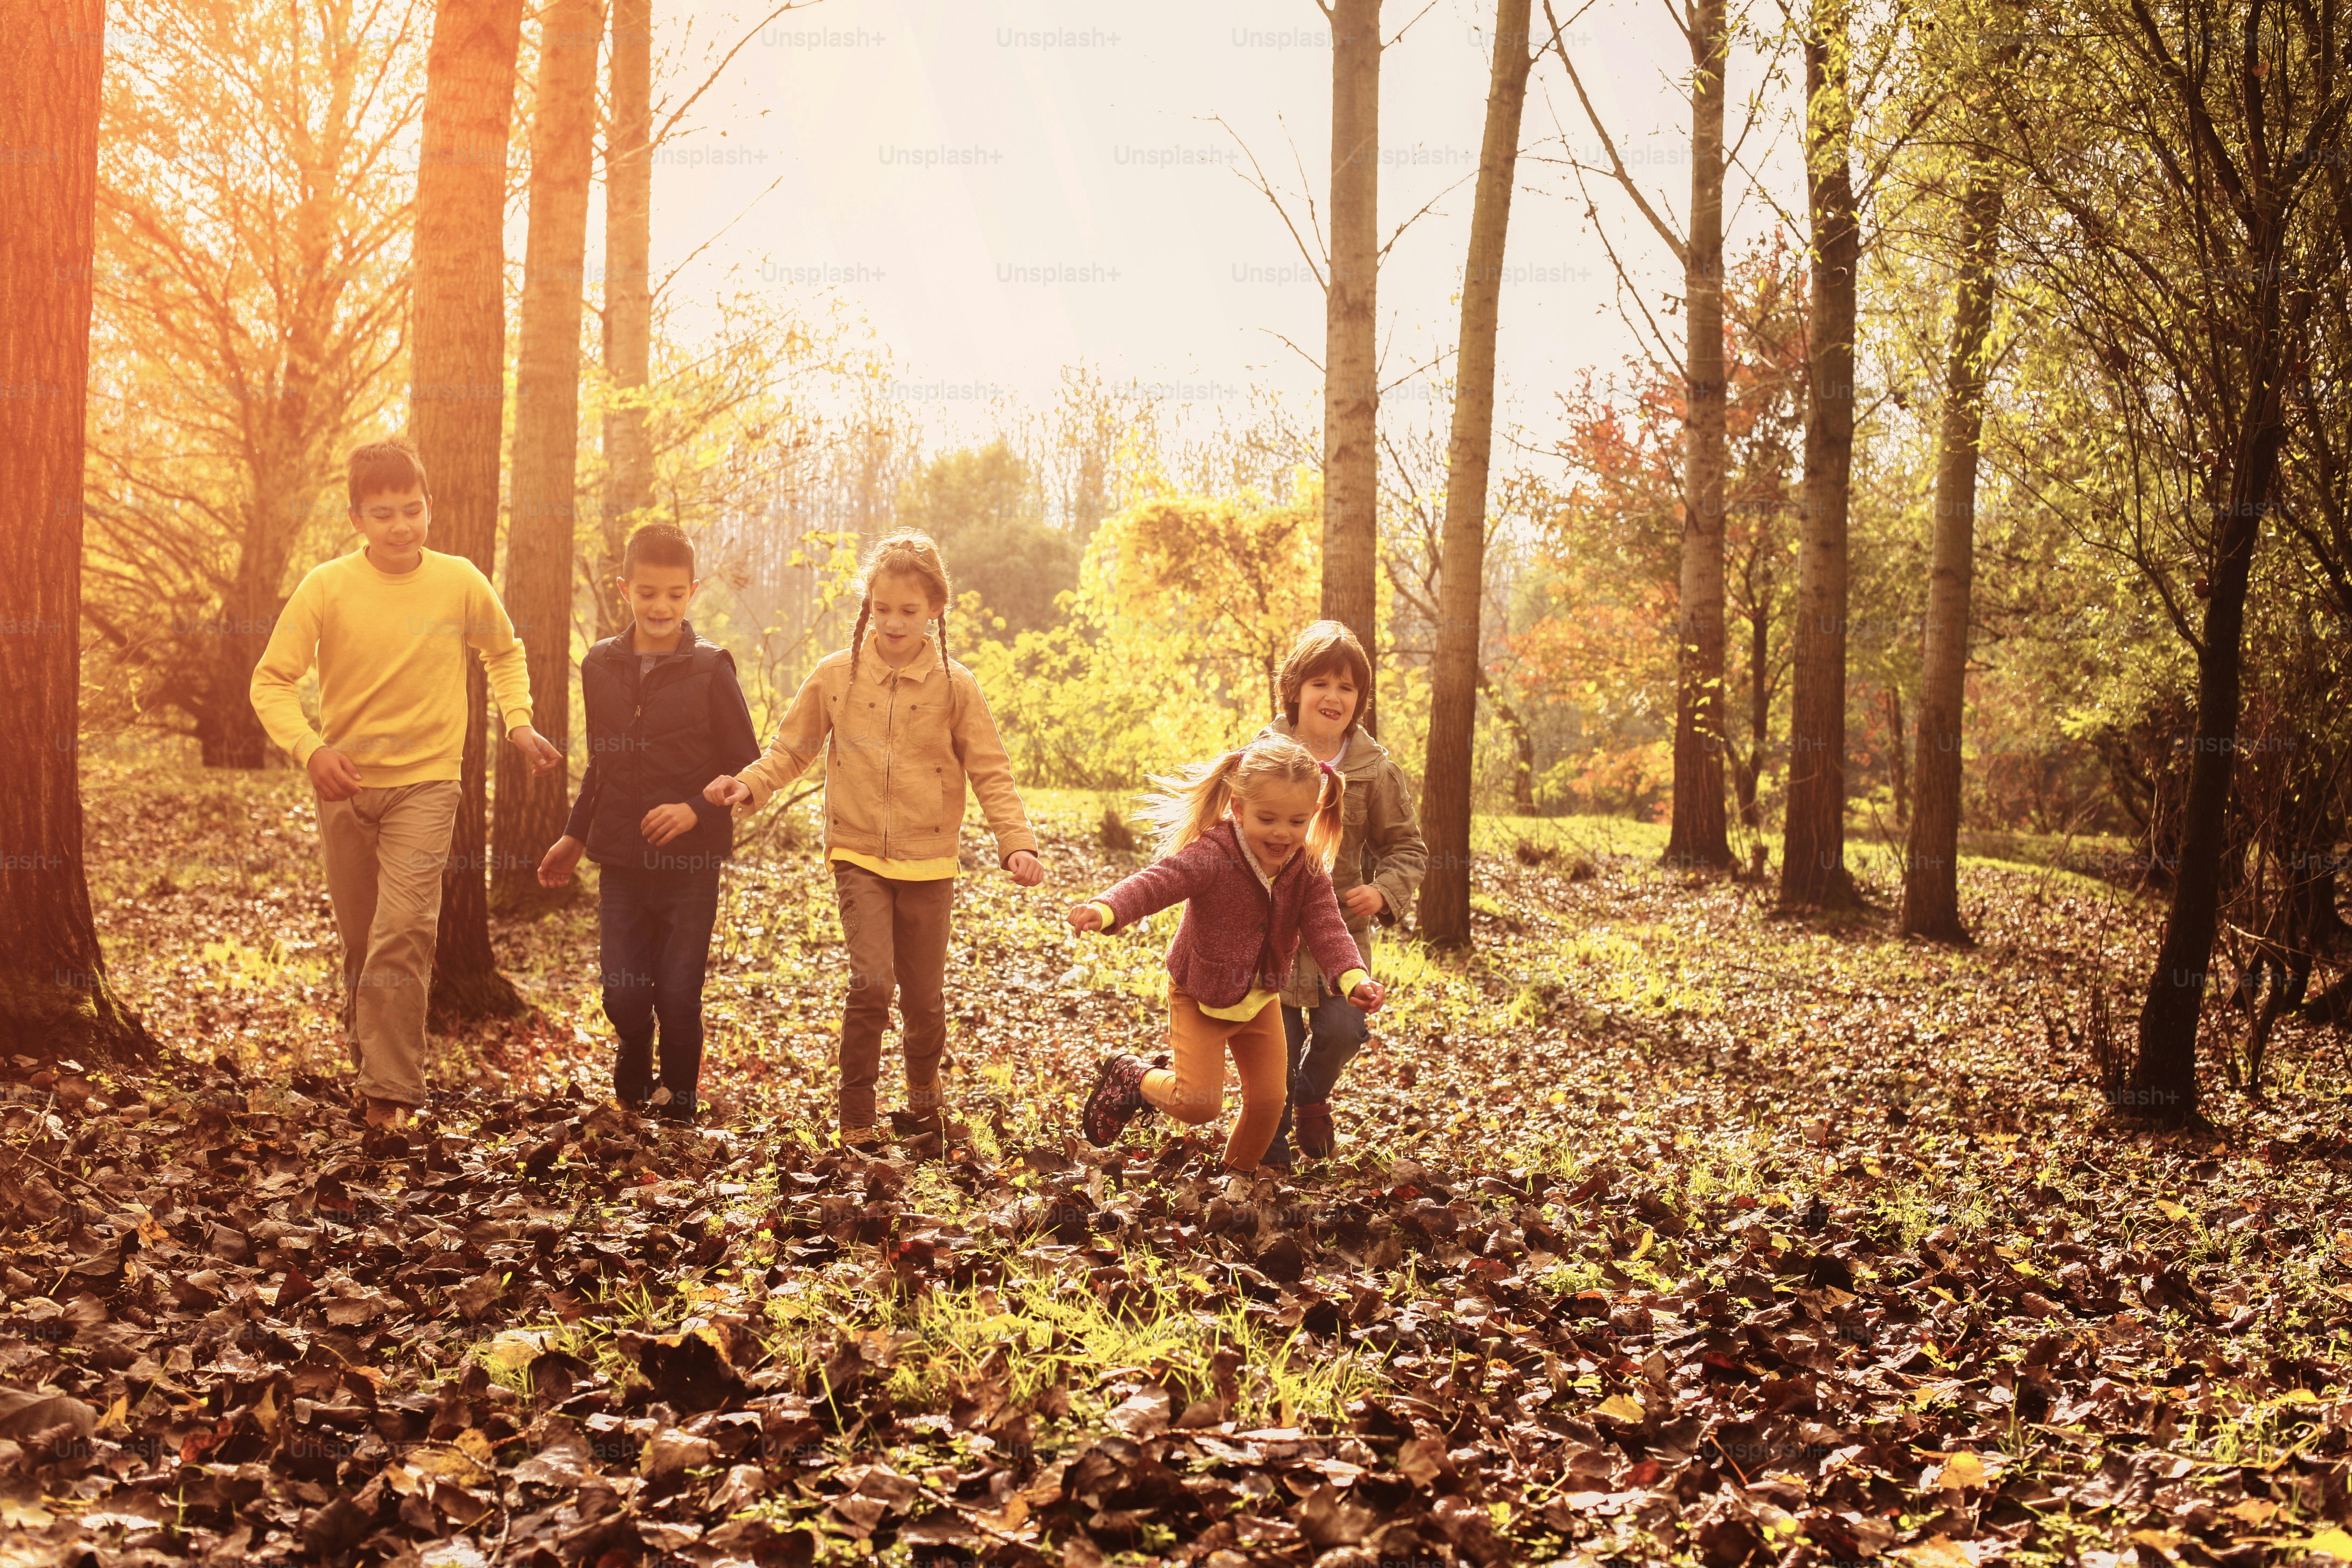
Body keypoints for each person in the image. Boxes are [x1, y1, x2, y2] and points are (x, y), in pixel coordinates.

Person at [250, 439, 560, 1131]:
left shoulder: (458, 581)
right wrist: (310, 749)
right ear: (357, 516)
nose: (401, 525)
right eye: (383, 513)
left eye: (412, 510)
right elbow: (271, 680)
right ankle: (371, 1052)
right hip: (344, 785)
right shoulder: (325, 586)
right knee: (363, 939)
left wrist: (519, 724)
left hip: (428, 782)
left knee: (404, 931)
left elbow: (504, 651)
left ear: (430, 507)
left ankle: (389, 1094)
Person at [703, 529, 1044, 1149]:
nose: (892, 622)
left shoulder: (955, 685)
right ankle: (855, 1114)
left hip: (931, 860)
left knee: (924, 998)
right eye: (882, 607)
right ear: (868, 602)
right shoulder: (837, 676)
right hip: (858, 850)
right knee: (871, 983)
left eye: (908, 611)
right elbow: (791, 748)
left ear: (934, 609)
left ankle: (922, 1099)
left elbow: (991, 768)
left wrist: (1015, 841)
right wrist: (749, 786)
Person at [1070, 734, 1387, 1173]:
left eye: (1297, 822)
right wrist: (1107, 908)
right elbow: (1159, 881)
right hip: (1200, 992)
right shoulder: (1214, 854)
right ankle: (1131, 1076)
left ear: (1313, 815)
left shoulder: (1307, 869)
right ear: (1238, 809)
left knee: (1270, 1103)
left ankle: (1235, 1180)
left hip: (1259, 1000)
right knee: (1198, 1104)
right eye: (1268, 818)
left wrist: (1353, 978)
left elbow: (1328, 928)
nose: (1282, 833)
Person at [537, 524, 759, 1123]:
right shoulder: (599, 666)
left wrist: (695, 807)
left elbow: (746, 766)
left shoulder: (712, 668)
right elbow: (603, 764)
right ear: (624, 589)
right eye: (648, 593)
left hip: (691, 864)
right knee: (625, 992)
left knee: (681, 993)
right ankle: (634, 1048)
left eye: (674, 594)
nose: (661, 607)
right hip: (621, 862)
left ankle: (681, 1105)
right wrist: (574, 834)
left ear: (692, 591)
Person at [1256, 621, 1426, 1167]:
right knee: (1274, 1046)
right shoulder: (1261, 757)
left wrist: (1383, 891)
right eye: (1321, 683)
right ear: (1295, 690)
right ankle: (1271, 1140)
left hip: (1340, 935)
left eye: (1347, 687)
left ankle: (1311, 1095)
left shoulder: (1374, 771)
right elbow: (1227, 833)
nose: (1333, 696)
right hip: (1271, 933)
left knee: (1344, 1028)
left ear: (1359, 700)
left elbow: (1408, 847)